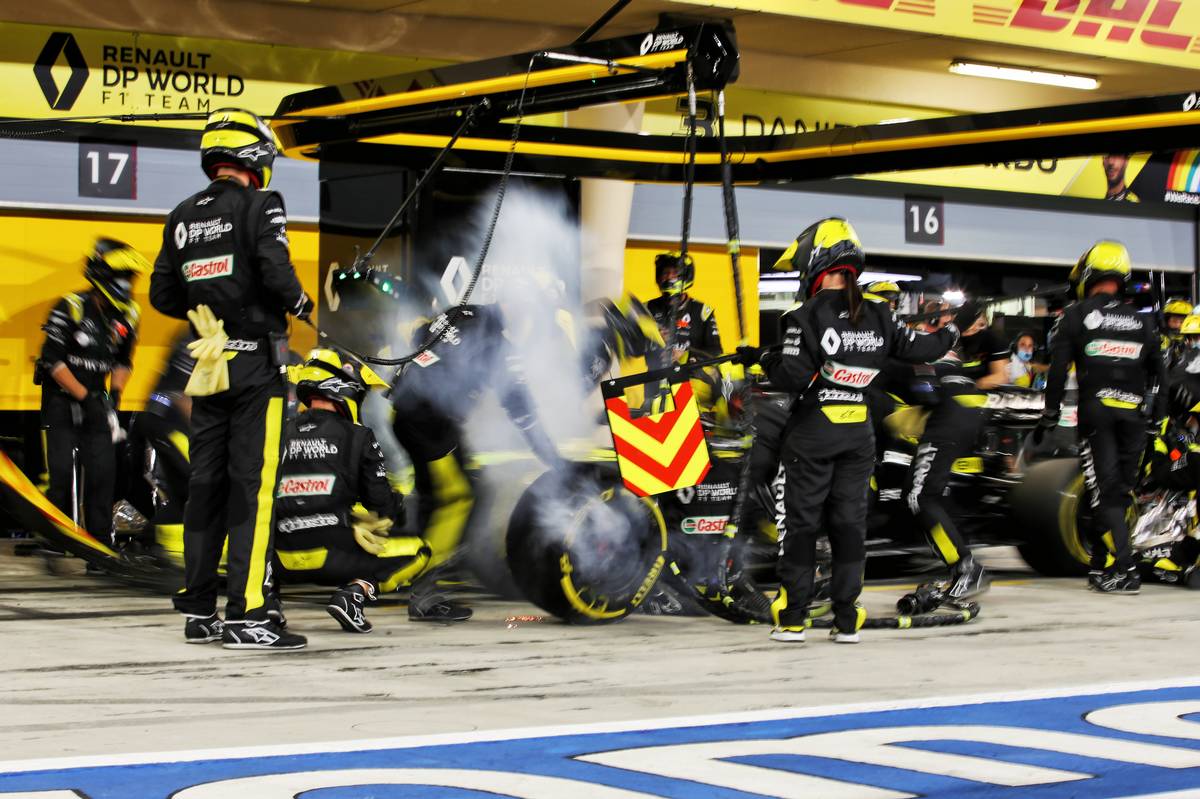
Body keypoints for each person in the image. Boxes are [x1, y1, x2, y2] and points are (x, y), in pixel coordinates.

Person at [736, 218, 959, 644]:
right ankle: (846, 619)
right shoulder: (879, 313)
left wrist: (763, 359)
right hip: (858, 435)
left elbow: (791, 377)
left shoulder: (804, 314)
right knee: (848, 526)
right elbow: (926, 349)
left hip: (813, 434)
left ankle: (793, 618)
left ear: (816, 262)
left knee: (801, 525)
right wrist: (952, 327)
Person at [150, 108, 313, 650]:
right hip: (255, 369)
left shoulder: (180, 215)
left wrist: (211, 305)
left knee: (206, 489)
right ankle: (250, 614)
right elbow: (275, 270)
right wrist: (303, 304)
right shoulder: (262, 203)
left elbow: (163, 296)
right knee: (254, 491)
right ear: (256, 157)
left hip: (208, 364)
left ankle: (200, 611)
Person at [391, 303, 562, 622]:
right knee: (464, 497)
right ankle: (425, 592)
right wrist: (552, 458)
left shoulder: (456, 313)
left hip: (403, 409)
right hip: (431, 421)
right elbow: (521, 409)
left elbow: (418, 335)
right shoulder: (501, 345)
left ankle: (412, 567)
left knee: (432, 497)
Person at [1034, 240, 1165, 594]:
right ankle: (1102, 566)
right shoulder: (1142, 320)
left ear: (1088, 275)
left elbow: (1058, 371)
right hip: (1135, 416)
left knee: (1103, 494)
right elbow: (1160, 375)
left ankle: (1126, 569)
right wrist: (1156, 417)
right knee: (1118, 494)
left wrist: (1050, 413)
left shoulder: (1075, 316)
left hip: (1098, 415)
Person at [273, 349, 428, 633]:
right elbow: (379, 502)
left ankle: (268, 601)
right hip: (333, 556)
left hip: (279, 557)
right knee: (419, 550)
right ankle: (355, 593)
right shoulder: (358, 436)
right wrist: (397, 508)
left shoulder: (279, 431)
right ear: (344, 388)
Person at [38, 238, 149, 543]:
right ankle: (56, 540)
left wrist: (113, 396)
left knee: (103, 474)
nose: (127, 283)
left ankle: (99, 543)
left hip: (98, 401)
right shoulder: (71, 306)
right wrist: (83, 397)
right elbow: (52, 361)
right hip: (60, 401)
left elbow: (124, 362)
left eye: (131, 277)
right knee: (60, 475)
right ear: (101, 274)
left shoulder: (129, 314)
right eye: (122, 276)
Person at [902, 300, 1008, 601]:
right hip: (968, 411)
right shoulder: (939, 347)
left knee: (919, 495)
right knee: (923, 493)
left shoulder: (910, 346)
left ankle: (966, 568)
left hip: (949, 417)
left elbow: (925, 391)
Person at [647, 251, 721, 365]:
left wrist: (687, 356)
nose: (669, 277)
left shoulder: (702, 311)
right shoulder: (648, 308)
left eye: (675, 272)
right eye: (665, 272)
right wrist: (654, 340)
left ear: (686, 276)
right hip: (655, 378)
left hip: (690, 379)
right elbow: (632, 346)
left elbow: (716, 351)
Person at [1161, 298, 1193, 371]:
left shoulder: (1193, 339)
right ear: (1167, 320)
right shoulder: (1159, 338)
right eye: (1174, 321)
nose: (1178, 325)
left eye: (1182, 322)